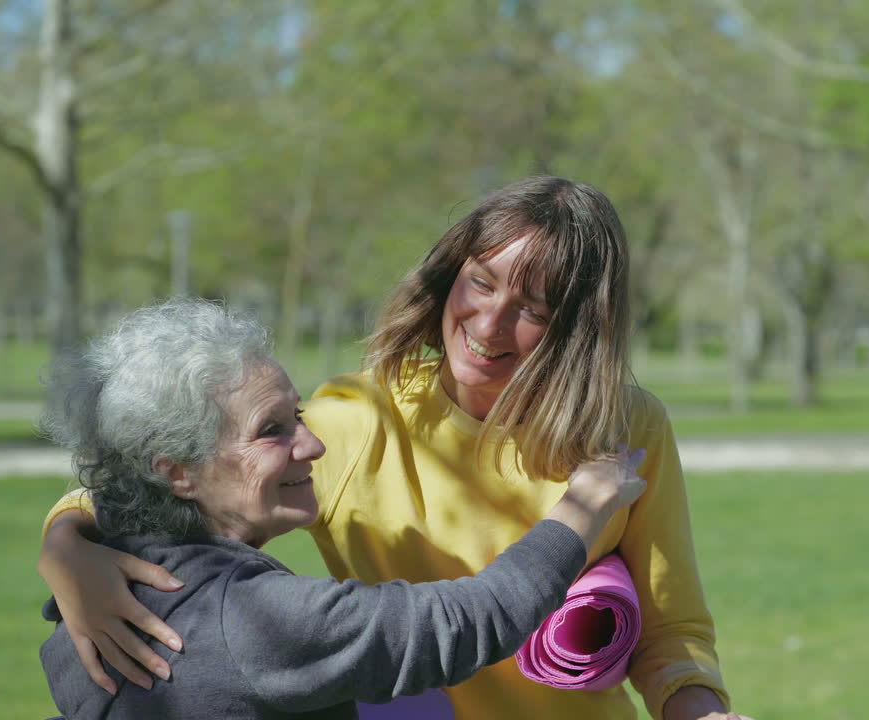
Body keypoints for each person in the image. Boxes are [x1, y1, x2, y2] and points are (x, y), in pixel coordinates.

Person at [41, 177, 753, 720]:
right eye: (481, 283)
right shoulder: (356, 421)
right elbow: (156, 474)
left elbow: (671, 629)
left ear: (578, 326)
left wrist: (700, 710)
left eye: (532, 309)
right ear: (451, 274)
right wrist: (67, 550)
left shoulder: (626, 428)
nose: (489, 323)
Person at [37, 297, 646, 719]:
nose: (314, 445)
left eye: (298, 415)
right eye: (271, 430)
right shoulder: (250, 621)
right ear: (176, 471)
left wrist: (64, 540)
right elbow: (466, 623)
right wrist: (581, 507)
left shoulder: (99, 592)